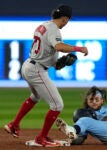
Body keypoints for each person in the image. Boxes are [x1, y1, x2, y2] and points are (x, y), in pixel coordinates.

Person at [4, 4, 88, 147]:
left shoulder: (44, 25)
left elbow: (50, 57)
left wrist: (61, 63)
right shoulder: (54, 29)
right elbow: (58, 46)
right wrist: (78, 48)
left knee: (35, 97)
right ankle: (41, 138)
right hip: (36, 70)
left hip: (29, 65)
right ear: (65, 19)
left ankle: (14, 125)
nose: (67, 23)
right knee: (57, 105)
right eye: (68, 20)